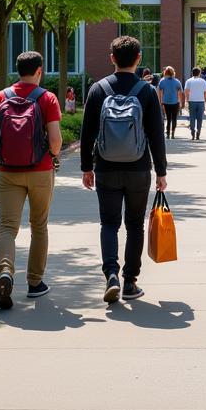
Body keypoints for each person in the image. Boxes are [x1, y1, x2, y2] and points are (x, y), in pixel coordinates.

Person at [80, 35, 168, 304]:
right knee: (134, 225)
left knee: (108, 223)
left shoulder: (98, 89)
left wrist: (86, 167)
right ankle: (130, 281)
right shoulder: (147, 92)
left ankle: (111, 275)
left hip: (105, 167)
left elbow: (87, 133)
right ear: (139, 59)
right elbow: (156, 135)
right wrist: (161, 172)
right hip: (138, 168)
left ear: (112, 59)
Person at [0, 51, 63, 309]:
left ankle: (5, 271)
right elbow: (56, 140)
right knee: (39, 226)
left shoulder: (0, 97)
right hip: (40, 171)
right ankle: (35, 283)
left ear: (17, 70)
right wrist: (51, 156)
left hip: (8, 173)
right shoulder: (47, 98)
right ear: (40, 70)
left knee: (7, 227)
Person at [157, 66, 184, 139]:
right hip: (175, 102)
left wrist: (160, 102)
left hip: (166, 102)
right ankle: (173, 133)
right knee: (174, 118)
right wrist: (180, 102)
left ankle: (168, 133)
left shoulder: (162, 81)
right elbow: (180, 92)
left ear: (165, 72)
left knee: (168, 118)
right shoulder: (177, 81)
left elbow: (159, 92)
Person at [184, 66, 206, 140]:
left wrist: (186, 100)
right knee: (200, 118)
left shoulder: (188, 81)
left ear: (192, 73)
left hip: (192, 101)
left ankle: (192, 131)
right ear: (199, 73)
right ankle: (198, 132)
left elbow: (186, 91)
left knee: (192, 117)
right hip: (201, 101)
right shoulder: (203, 81)